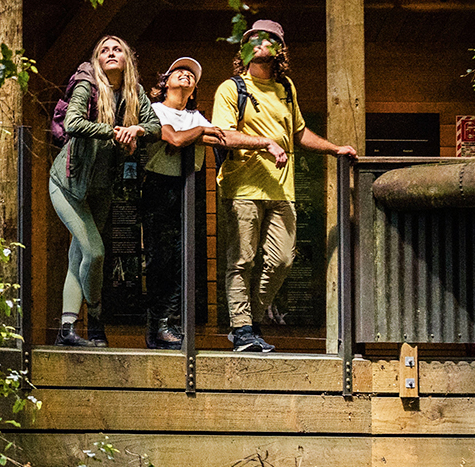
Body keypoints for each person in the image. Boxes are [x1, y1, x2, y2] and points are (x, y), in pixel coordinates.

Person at [211, 19, 356, 353]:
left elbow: (299, 133)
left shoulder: (286, 88)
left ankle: (249, 322)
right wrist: (265, 143)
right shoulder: (232, 88)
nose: (263, 43)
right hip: (243, 189)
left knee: (282, 261)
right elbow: (223, 134)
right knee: (242, 261)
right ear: (245, 47)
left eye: (271, 39)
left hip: (281, 191)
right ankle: (243, 328)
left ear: (279, 49)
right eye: (255, 38)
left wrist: (336, 149)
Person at [141, 56, 284, 349]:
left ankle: (174, 324)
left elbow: (225, 137)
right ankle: (158, 325)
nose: (185, 75)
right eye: (178, 71)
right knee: (161, 258)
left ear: (193, 91)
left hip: (187, 187)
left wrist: (264, 142)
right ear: (164, 82)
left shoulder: (196, 117)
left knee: (185, 258)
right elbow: (175, 139)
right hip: (160, 187)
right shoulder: (153, 111)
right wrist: (199, 134)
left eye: (191, 75)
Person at [49, 35, 160, 347]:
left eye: (117, 50)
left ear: (127, 59)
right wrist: (113, 132)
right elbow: (72, 122)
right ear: (97, 59)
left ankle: (67, 330)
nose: (111, 54)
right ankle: (95, 320)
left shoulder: (135, 93)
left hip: (100, 189)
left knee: (79, 257)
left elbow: (156, 127)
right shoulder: (88, 84)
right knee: (95, 253)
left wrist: (136, 129)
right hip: (67, 184)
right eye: (104, 50)